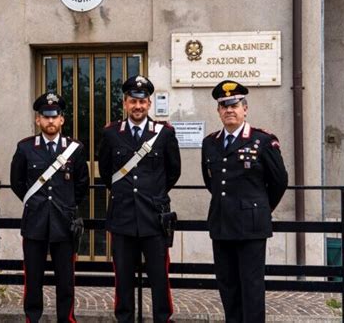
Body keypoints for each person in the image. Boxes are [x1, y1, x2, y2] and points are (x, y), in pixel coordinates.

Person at [201, 80, 288, 323]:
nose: (229, 110)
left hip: (251, 227)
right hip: (221, 225)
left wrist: (258, 209)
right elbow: (212, 182)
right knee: (228, 287)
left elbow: (279, 181)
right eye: (223, 106)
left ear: (245, 109)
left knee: (251, 288)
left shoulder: (262, 141)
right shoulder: (210, 143)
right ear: (218, 111)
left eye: (234, 105)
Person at [98, 75, 181, 322]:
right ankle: (124, 319)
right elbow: (106, 172)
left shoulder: (164, 133)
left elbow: (173, 172)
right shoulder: (112, 133)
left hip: (154, 218)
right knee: (123, 278)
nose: (138, 106)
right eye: (133, 101)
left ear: (149, 104)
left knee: (159, 278)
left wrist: (153, 194)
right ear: (124, 103)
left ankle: (162, 319)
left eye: (142, 101)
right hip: (122, 217)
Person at [10, 92, 89, 323]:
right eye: (46, 117)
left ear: (62, 119)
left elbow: (82, 183)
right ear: (38, 120)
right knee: (33, 280)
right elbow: (17, 182)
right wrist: (34, 203)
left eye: (55, 116)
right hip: (35, 223)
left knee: (65, 281)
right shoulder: (25, 148)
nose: (50, 121)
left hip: (64, 225)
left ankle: (66, 319)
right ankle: (32, 319)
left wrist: (67, 207)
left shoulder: (74, 149)